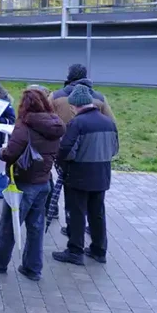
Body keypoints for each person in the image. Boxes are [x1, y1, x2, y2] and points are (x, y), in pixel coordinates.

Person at [0, 88, 65, 281]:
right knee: (36, 227)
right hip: (44, 181)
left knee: (8, 225)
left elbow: (11, 154)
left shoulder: (25, 125)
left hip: (23, 183)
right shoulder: (56, 124)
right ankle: (33, 267)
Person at [52, 85, 119, 266]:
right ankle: (99, 250)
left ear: (76, 105)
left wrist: (62, 164)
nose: (72, 110)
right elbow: (114, 150)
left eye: (72, 107)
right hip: (102, 174)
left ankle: (75, 250)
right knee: (97, 213)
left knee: (77, 213)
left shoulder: (77, 123)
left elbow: (66, 150)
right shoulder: (109, 123)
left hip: (79, 175)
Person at [49, 64, 115, 232]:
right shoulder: (100, 97)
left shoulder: (55, 96)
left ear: (69, 76)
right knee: (96, 202)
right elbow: (111, 124)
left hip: (63, 151)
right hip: (97, 157)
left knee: (70, 193)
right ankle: (94, 235)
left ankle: (71, 227)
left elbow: (45, 120)